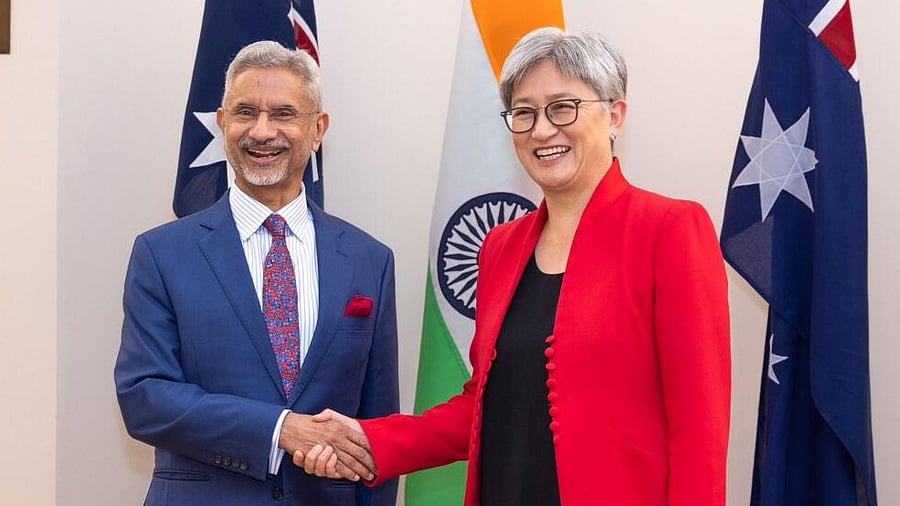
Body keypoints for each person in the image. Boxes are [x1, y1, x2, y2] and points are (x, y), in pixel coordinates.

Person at [300, 27, 731, 505]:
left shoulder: (669, 230)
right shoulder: (500, 247)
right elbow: (486, 406)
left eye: (563, 107)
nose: (541, 131)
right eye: (524, 113)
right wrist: (370, 440)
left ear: (615, 116)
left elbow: (700, 434)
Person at [114, 40, 398, 506]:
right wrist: (280, 429)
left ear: (317, 129)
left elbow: (377, 429)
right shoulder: (161, 254)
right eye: (246, 112)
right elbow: (145, 397)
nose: (262, 131)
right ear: (222, 123)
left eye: (284, 114)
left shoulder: (370, 260)